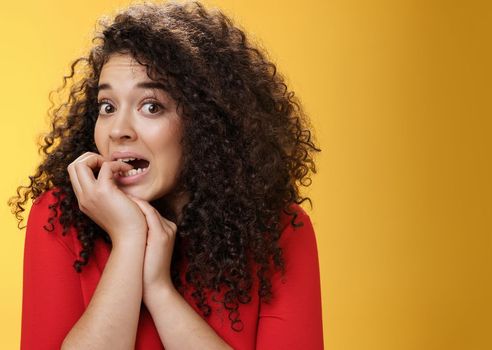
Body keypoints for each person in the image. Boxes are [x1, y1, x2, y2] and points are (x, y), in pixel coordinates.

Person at [9, 1, 323, 349]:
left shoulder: (278, 231)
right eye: (107, 107)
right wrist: (128, 239)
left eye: (151, 106)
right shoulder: (59, 217)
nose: (118, 130)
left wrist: (159, 291)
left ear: (206, 123)